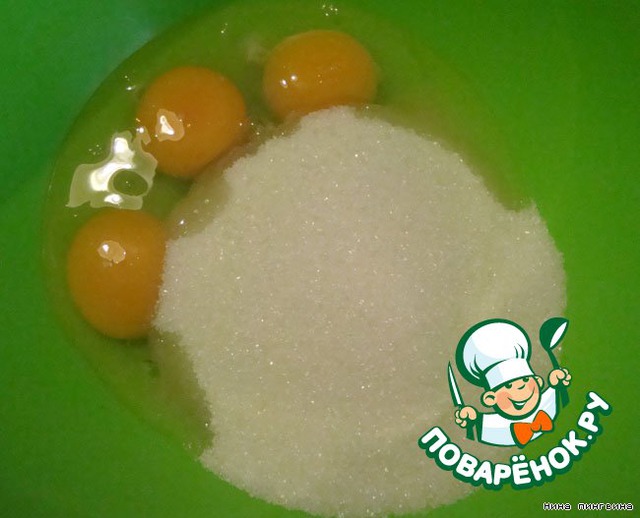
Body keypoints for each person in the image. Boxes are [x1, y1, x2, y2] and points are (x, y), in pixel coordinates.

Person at [454, 319, 571, 447]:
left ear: (538, 381)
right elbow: (474, 433)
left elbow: (564, 402)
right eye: (508, 386)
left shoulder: (550, 401)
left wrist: (559, 384)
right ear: (490, 399)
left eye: (525, 380)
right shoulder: (490, 427)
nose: (521, 387)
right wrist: (470, 421)